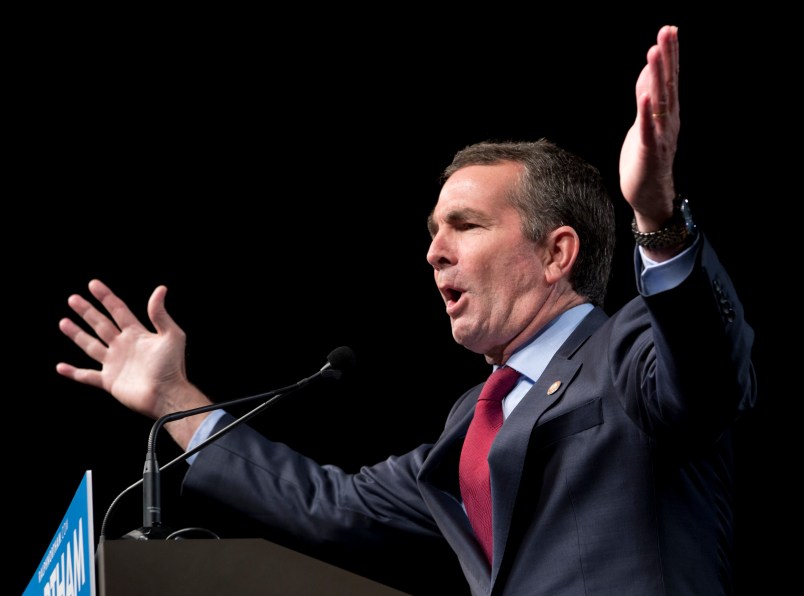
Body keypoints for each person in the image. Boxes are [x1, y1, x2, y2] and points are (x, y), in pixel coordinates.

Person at [56, 25, 757, 595]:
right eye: (432, 234)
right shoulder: (470, 422)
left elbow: (709, 364)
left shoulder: (633, 349)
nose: (434, 254)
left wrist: (658, 220)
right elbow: (325, 508)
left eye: (467, 226)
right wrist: (174, 398)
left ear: (557, 253)